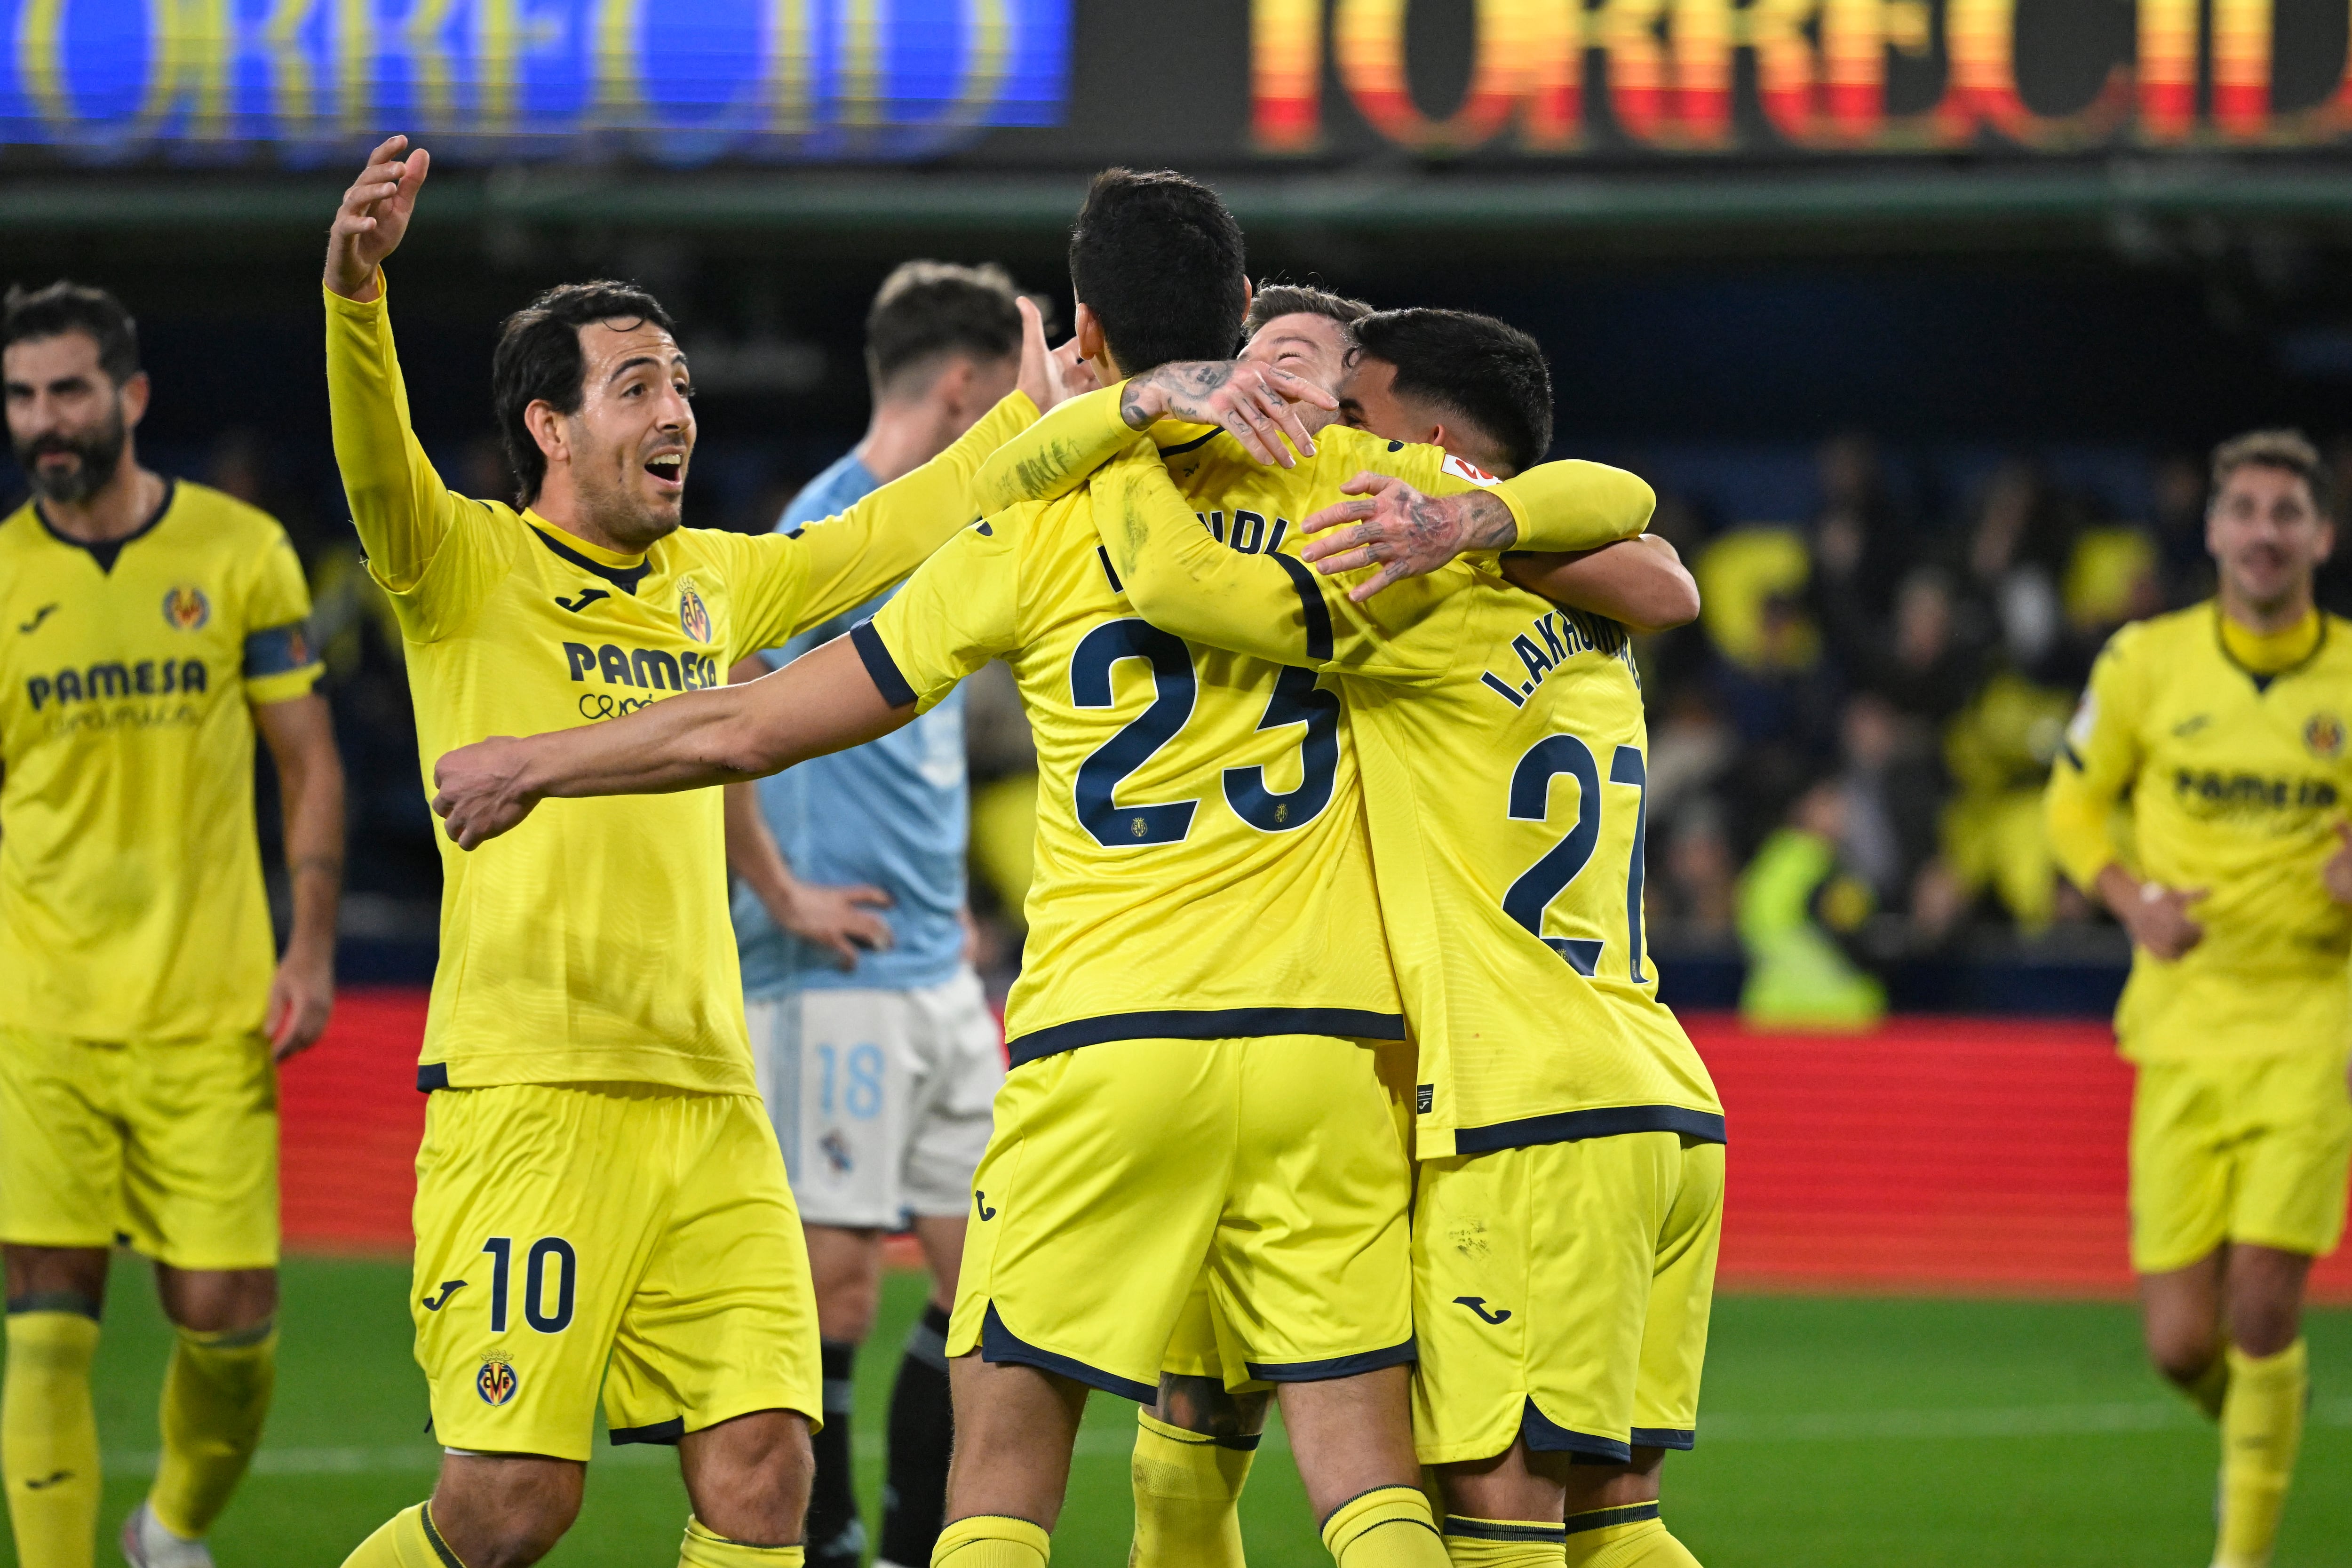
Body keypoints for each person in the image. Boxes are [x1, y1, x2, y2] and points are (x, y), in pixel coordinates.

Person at [426, 168, 1655, 1568]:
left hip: (1107, 1041)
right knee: (1363, 1473)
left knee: (1006, 1464)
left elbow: (754, 722)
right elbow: (1630, 534)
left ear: (1084, 324)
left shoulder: (1040, 525)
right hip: (1331, 1048)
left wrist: (539, 759)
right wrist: (1476, 519)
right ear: (1248, 314)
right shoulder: (1365, 490)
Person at [318, 134, 1061, 1568]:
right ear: (549, 425)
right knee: (511, 1505)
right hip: (535, 1089)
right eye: (639, 385)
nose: (679, 413)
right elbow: (371, 456)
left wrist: (1044, 424)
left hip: (714, 1096)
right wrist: (356, 296)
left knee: (765, 1469)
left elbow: (903, 521)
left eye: (685, 388)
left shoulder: (719, 581)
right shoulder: (460, 563)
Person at [984, 304, 1722, 1568]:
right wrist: (1486, 517)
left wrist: (1092, 430)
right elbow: (1656, 553)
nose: (1326, 437)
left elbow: (1184, 584)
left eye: (1353, 415)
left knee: (1494, 1530)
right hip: (1644, 1090)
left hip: (1507, 1104)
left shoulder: (1408, 591)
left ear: (1432, 453)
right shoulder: (1576, 592)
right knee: (1615, 1530)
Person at [0, 282, 343, 1568]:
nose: (46, 419)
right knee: (44, 1320)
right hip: (38, 1010)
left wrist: (308, 944)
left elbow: (309, 762)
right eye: (25, 394)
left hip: (207, 1006)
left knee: (227, 1320)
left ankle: (172, 1526)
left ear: (131, 397)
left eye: (69, 389)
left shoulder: (241, 553)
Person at [728, 261, 1025, 1568]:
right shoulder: (831, 522)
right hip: (828, 967)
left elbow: (914, 748)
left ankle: (909, 1542)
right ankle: (828, 1540)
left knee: (988, 1287)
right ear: (962, 383)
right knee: (840, 1280)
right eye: (1010, 394)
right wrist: (778, 887)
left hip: (932, 971)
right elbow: (727, 694)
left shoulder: (948, 533)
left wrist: (953, 897)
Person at [2045, 429, 2352, 1568]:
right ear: (2214, 530)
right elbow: (2070, 810)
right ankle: (2265, 1431)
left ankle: (2243, 1556)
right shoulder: (2143, 663)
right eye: (2246, 511)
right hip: (2179, 1023)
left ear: (2320, 534)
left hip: (2313, 1019)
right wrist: (2131, 901)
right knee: (2182, 1346)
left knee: (2266, 1303)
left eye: (2287, 513)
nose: (2264, 532)